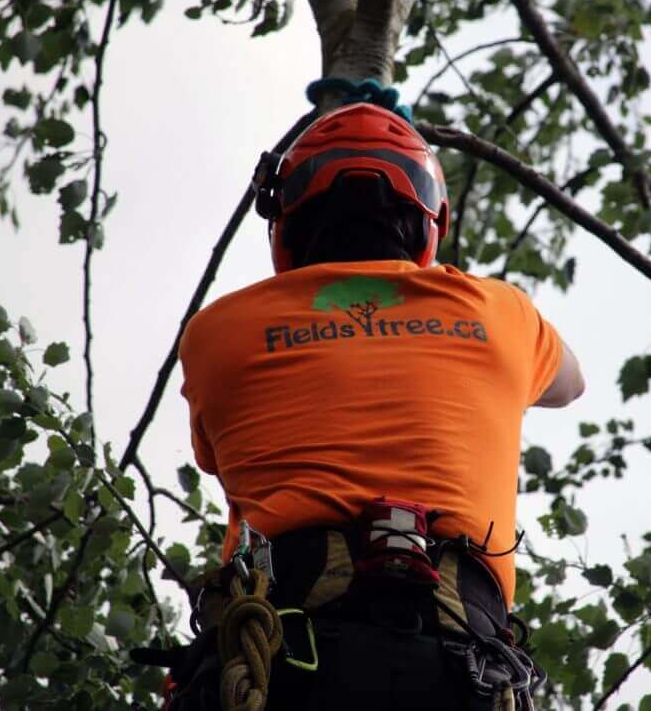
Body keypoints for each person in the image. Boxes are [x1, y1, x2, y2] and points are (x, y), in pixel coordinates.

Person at [172, 100, 584, 709]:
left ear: (286, 218)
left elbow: (214, 457)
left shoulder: (217, 333)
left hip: (286, 664)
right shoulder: (500, 315)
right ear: (429, 220)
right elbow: (570, 382)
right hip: (459, 669)